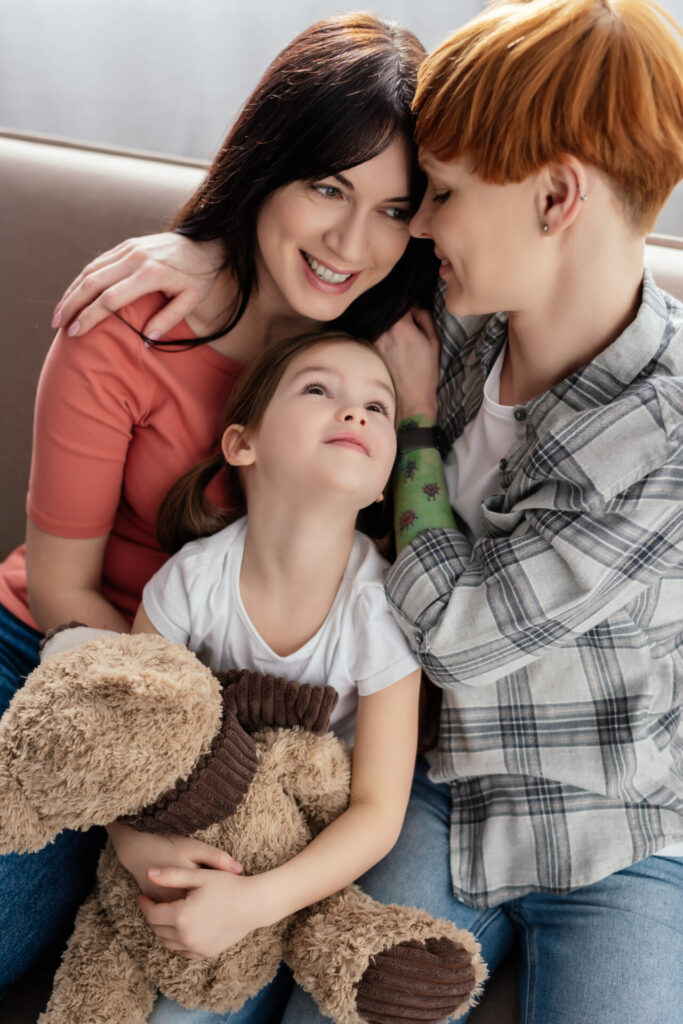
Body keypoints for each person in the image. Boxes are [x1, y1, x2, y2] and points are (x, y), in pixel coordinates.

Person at [54, 3, 683, 1023]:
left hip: (611, 830)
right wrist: (203, 254)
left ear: (556, 197)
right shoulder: (457, 310)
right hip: (439, 792)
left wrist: (423, 432)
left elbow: (464, 632)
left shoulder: (663, 430)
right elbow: (313, 250)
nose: (421, 224)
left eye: (444, 194)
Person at [0, 13, 439, 999]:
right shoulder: (133, 322)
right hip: (55, 657)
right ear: (265, 167)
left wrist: (413, 426)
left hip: (251, 737)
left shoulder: (393, 359)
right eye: (326, 186)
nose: (348, 240)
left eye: (390, 207)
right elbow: (65, 584)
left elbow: (422, 580)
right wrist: (154, 778)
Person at [130, 330, 423, 1019]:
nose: (354, 413)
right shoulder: (191, 584)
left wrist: (260, 902)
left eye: (377, 408)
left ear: (384, 484)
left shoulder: (380, 613)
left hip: (314, 861)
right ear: (242, 444)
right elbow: (127, 742)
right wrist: (147, 856)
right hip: (204, 844)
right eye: (320, 390)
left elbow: (379, 812)